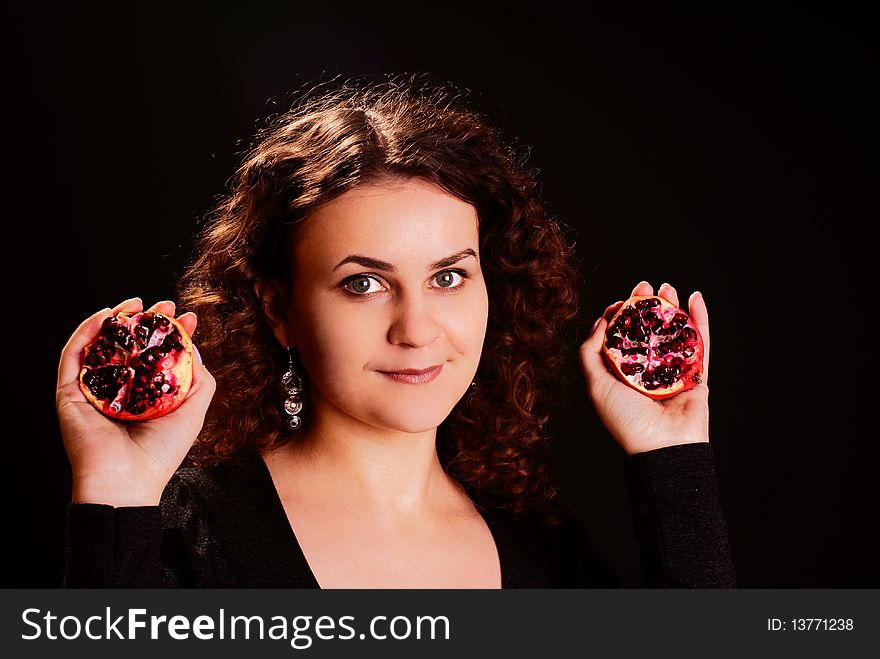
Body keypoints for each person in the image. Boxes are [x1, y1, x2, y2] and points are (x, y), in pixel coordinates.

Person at [56, 74, 736, 588]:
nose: (416, 328)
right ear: (278, 307)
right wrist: (115, 493)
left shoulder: (543, 552)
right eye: (364, 282)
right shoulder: (188, 533)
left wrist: (671, 459)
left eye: (448, 277)